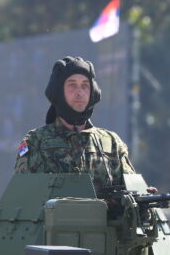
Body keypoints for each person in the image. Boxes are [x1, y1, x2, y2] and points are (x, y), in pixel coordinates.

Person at [13, 56, 137, 192]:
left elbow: (133, 193)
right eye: (72, 85)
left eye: (85, 85)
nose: (80, 92)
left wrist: (143, 200)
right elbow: (24, 197)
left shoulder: (112, 143)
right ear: (58, 91)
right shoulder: (35, 142)